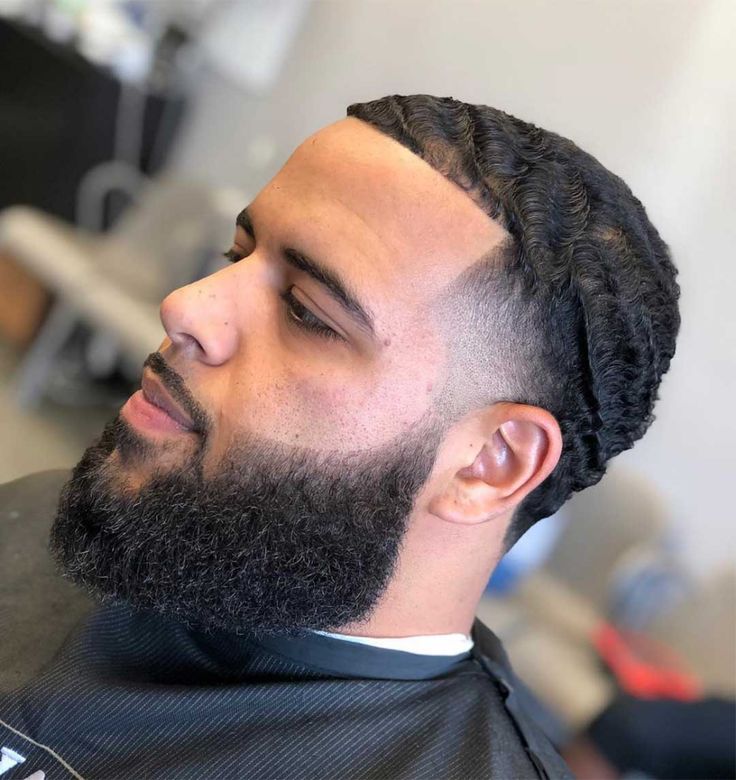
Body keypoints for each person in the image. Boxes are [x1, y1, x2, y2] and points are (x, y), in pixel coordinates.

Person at [0, 94, 680, 780]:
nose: (186, 306)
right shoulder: (44, 517)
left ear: (489, 464)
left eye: (306, 311)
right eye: (236, 254)